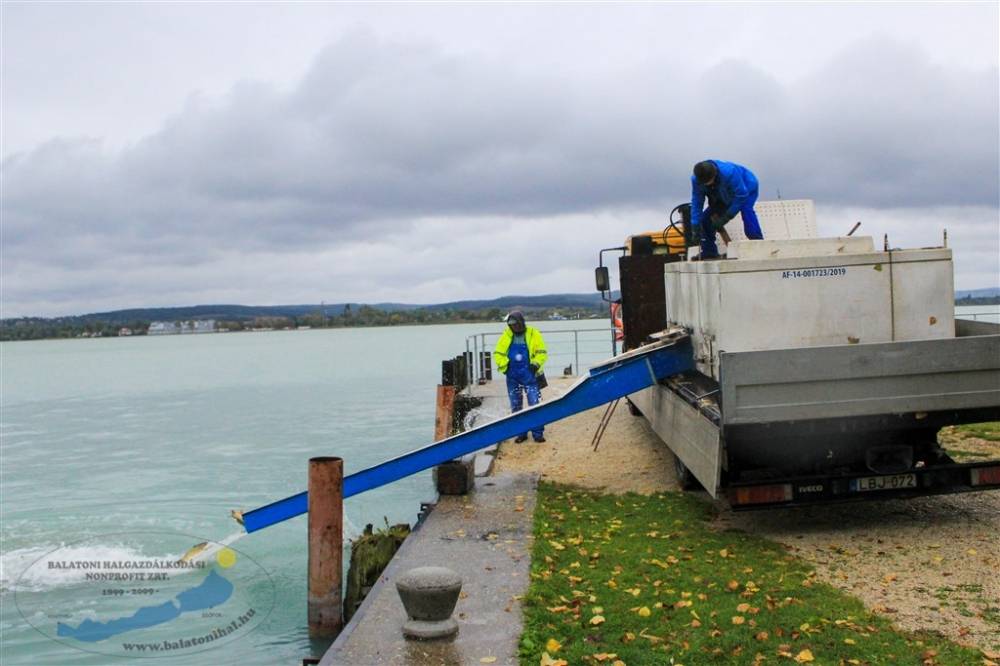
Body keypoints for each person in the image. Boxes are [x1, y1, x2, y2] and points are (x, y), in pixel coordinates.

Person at [690, 159, 763, 259]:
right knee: (705, 219)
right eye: (705, 183)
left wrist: (726, 218)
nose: (707, 184)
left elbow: (741, 196)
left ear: (715, 174)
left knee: (746, 211)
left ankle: (758, 243)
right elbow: (697, 201)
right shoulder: (697, 180)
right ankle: (709, 252)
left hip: (747, 187)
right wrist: (695, 225)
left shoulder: (729, 172)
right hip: (720, 194)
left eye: (709, 182)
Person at [494, 311, 548, 443]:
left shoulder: (533, 333)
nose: (514, 328)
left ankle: (538, 433)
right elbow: (498, 354)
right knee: (516, 405)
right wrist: (505, 367)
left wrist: (536, 364)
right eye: (511, 326)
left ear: (521, 322)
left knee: (534, 404)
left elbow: (542, 352)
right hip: (512, 376)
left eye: (516, 325)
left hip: (530, 375)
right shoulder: (506, 335)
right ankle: (521, 433)